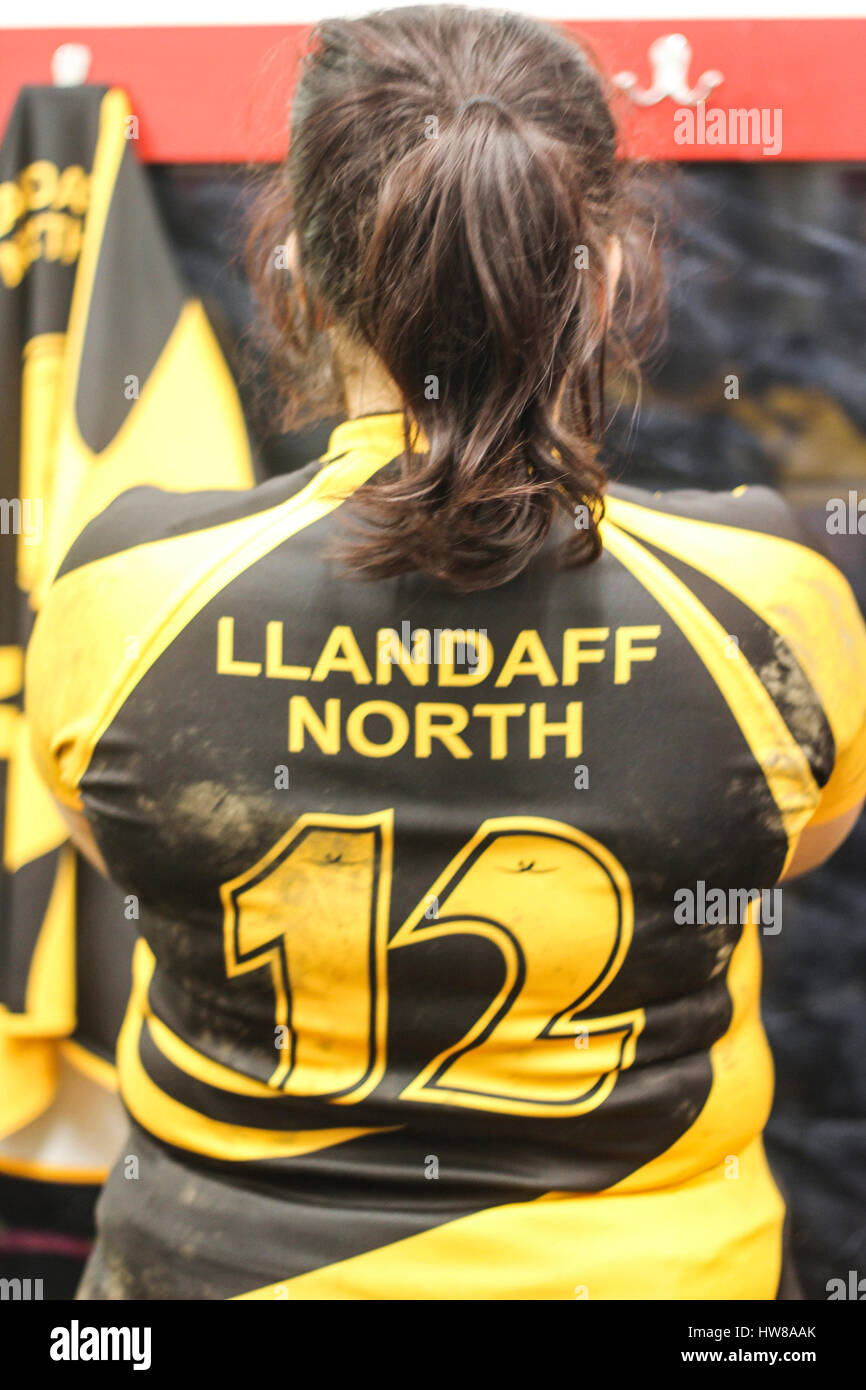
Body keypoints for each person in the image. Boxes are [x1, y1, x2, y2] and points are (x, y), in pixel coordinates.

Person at [25, 5, 866, 1299]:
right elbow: (789, 842)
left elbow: (109, 834)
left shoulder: (122, 581)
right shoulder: (775, 598)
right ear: (596, 272)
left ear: (293, 269)